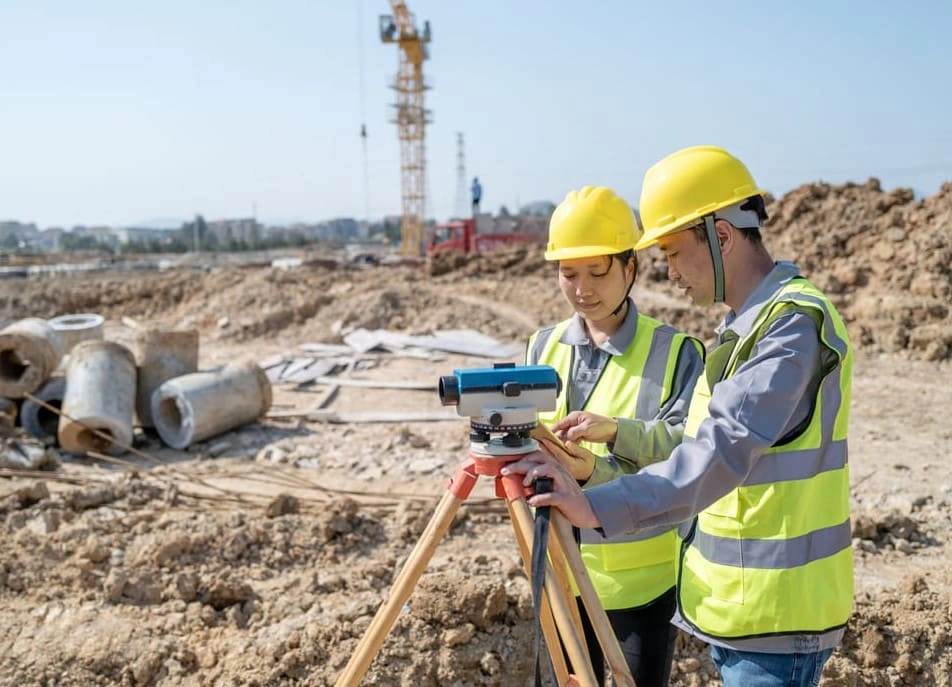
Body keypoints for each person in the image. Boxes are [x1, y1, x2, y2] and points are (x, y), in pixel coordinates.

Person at [505, 146, 854, 687]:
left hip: (777, 615)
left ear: (720, 236)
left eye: (671, 251)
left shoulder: (788, 328)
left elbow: (714, 454)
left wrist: (592, 501)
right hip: (737, 612)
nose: (668, 273)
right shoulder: (745, 329)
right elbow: (691, 443)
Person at [527, 185, 704, 686]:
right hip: (558, 569)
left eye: (598, 272)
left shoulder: (676, 353)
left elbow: (688, 456)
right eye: (568, 273)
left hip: (639, 583)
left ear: (631, 268)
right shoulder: (541, 345)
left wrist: (609, 445)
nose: (582, 288)